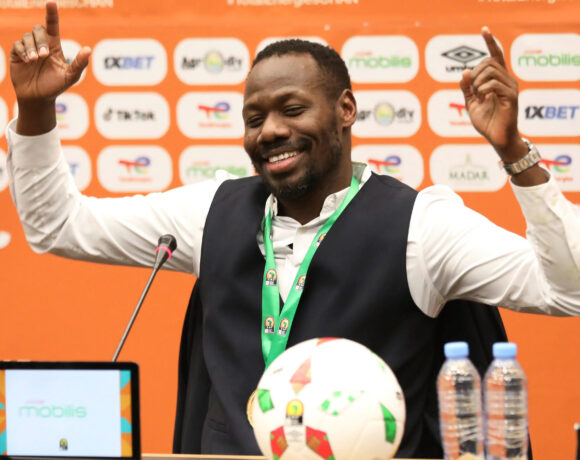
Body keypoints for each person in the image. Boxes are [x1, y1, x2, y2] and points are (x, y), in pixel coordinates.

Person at [6, 1, 580, 458]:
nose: (270, 131)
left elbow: (568, 291)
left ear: (346, 110)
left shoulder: (424, 227)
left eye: (292, 109)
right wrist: (34, 113)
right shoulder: (209, 212)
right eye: (254, 118)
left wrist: (515, 152)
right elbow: (58, 225)